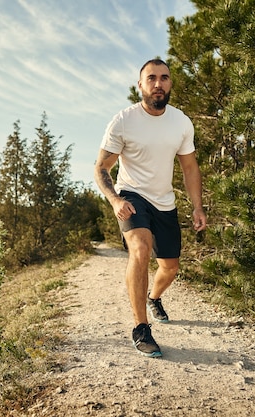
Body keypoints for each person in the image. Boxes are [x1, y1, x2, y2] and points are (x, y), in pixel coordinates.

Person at [94, 58, 207, 358]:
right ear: (140, 85)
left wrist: (197, 207)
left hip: (165, 202)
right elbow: (101, 168)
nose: (158, 83)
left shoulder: (181, 122)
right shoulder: (123, 120)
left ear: (170, 84)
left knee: (170, 267)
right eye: (152, 78)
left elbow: (190, 168)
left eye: (164, 78)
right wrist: (116, 199)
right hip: (132, 196)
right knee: (141, 250)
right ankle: (141, 327)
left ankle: (154, 297)